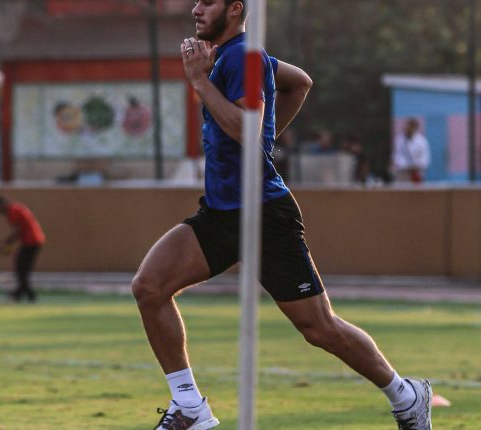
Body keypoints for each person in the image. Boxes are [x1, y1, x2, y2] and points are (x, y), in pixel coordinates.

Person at [132, 1, 432, 429]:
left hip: (264, 214)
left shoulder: (243, 56)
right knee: (150, 287)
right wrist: (264, 139)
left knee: (319, 328)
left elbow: (247, 127)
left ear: (234, 9)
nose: (196, 9)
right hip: (221, 213)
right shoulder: (237, 57)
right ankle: (190, 407)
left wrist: (200, 82)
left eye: (208, 1)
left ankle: (407, 396)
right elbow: (299, 82)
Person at [0, 195, 45, 303]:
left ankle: (25, 295)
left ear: (0, 204)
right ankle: (20, 294)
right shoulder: (14, 210)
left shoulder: (13, 211)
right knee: (21, 270)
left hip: (32, 241)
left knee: (21, 270)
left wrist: (3, 245)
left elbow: (18, 231)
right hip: (30, 241)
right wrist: (8, 247)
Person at [391, 118, 430, 183]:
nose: (407, 129)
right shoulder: (399, 140)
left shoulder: (422, 141)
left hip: (416, 174)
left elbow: (425, 159)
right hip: (402, 173)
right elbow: (396, 156)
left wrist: (415, 166)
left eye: (410, 127)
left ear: (415, 128)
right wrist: (405, 166)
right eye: (406, 127)